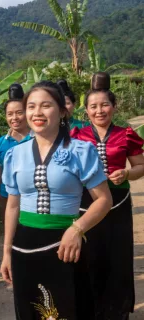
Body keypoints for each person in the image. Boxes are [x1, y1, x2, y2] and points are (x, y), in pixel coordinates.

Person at [0, 81, 112, 319]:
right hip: (24, 247)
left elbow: (104, 200)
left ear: (62, 111)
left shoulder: (81, 151)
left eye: (45, 106)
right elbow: (12, 205)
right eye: (31, 106)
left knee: (69, 309)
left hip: (66, 246)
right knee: (29, 310)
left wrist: (76, 229)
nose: (37, 113)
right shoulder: (14, 154)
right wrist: (7, 252)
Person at [71, 72, 144, 319]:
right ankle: (89, 307)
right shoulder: (76, 136)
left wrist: (126, 173)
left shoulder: (126, 134)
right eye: (93, 106)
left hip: (118, 204)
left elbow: (140, 166)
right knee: (89, 255)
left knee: (118, 256)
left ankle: (117, 309)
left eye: (104, 105)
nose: (99, 110)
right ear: (86, 110)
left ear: (114, 106)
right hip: (85, 205)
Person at [0, 83, 32, 228]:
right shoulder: (1, 143)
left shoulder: (39, 139)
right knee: (11, 237)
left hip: (34, 199)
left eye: (19, 112)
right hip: (7, 200)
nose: (15, 118)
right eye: (10, 114)